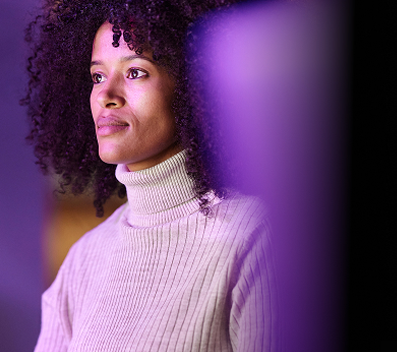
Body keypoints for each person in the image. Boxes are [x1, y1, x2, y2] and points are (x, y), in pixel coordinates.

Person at [22, 0, 274, 351]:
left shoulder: (254, 237)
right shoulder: (83, 260)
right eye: (97, 76)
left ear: (193, 85)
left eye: (135, 72)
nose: (106, 95)